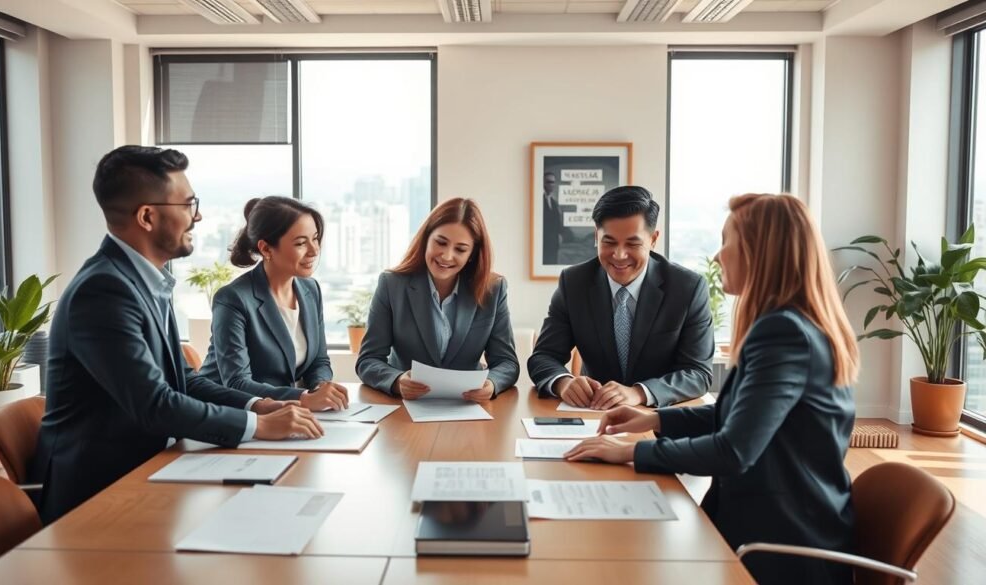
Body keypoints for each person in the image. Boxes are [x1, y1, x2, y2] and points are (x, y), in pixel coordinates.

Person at [565, 193, 859, 585]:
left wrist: (632, 451)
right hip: (766, 526)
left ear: (759, 251)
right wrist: (652, 418)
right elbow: (736, 415)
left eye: (727, 241)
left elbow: (734, 449)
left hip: (779, 548)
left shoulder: (783, 333)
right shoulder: (791, 324)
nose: (718, 256)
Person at [29, 146, 323, 524]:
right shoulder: (103, 290)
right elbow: (155, 403)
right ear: (148, 216)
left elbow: (181, 379)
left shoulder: (145, 280)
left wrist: (256, 405)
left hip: (153, 468)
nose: (197, 215)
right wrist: (259, 427)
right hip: (100, 495)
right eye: (187, 204)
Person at [527, 185, 713, 409]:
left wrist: (640, 393)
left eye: (633, 244)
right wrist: (563, 383)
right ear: (596, 236)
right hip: (595, 416)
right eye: (609, 242)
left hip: (660, 419)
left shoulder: (688, 288)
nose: (619, 255)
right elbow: (544, 356)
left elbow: (698, 373)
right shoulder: (574, 283)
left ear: (653, 239)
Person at [356, 197, 519, 399]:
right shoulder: (392, 284)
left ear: (472, 254)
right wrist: (397, 381)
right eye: (441, 242)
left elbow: (507, 363)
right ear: (426, 239)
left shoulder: (493, 289)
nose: (447, 256)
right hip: (405, 409)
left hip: (467, 406)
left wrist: (492, 384)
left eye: (460, 249)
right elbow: (368, 360)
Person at [198, 196, 349, 411]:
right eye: (300, 243)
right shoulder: (233, 299)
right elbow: (237, 383)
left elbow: (319, 361)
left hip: (284, 412)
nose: (314, 250)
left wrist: (321, 388)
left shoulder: (310, 290)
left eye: (315, 238)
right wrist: (304, 398)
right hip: (228, 415)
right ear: (266, 249)